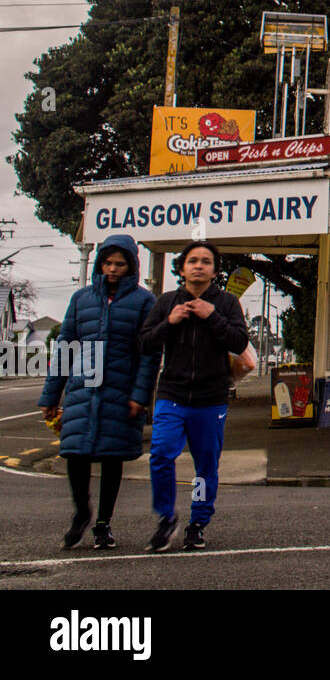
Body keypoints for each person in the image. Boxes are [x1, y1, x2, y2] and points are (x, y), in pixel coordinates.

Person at [39, 234, 159, 549]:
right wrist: (51, 396)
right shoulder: (81, 300)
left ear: (131, 264)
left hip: (121, 391)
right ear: (100, 263)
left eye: (120, 264)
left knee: (111, 457)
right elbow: (64, 347)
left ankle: (103, 524)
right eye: (108, 262)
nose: (113, 269)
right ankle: (82, 513)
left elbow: (149, 355)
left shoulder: (145, 301)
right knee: (75, 453)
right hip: (82, 389)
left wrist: (140, 396)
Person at [136, 240, 249, 551]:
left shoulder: (226, 303)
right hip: (172, 394)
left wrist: (212, 315)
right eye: (193, 261)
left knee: (205, 466)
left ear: (215, 270)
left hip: (210, 399)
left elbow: (239, 341)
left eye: (206, 261)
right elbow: (144, 343)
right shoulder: (167, 302)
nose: (199, 266)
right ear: (182, 268)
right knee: (160, 454)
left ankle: (198, 522)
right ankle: (165, 517)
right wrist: (169, 323)